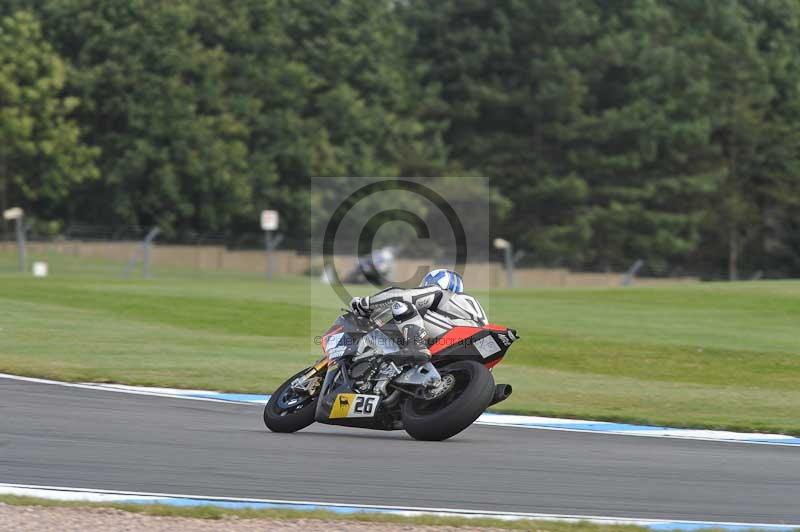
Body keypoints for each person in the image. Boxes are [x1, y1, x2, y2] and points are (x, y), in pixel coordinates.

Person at [349, 269, 488, 363]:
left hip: (460, 333)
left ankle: (416, 346)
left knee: (401, 305)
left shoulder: (440, 292)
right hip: (479, 347)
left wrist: (365, 303)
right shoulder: (463, 304)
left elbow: (401, 296)